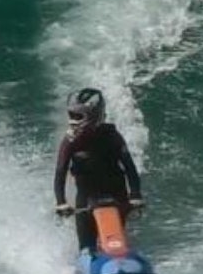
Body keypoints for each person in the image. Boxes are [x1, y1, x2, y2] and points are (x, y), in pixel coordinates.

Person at [52, 87, 145, 255]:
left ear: (93, 115)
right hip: (86, 197)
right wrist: (61, 202)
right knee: (86, 247)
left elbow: (129, 167)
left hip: (116, 194)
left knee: (115, 242)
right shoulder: (70, 141)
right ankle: (88, 266)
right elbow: (60, 172)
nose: (73, 121)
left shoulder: (112, 136)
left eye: (78, 116)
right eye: (71, 115)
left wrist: (136, 195)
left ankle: (120, 262)